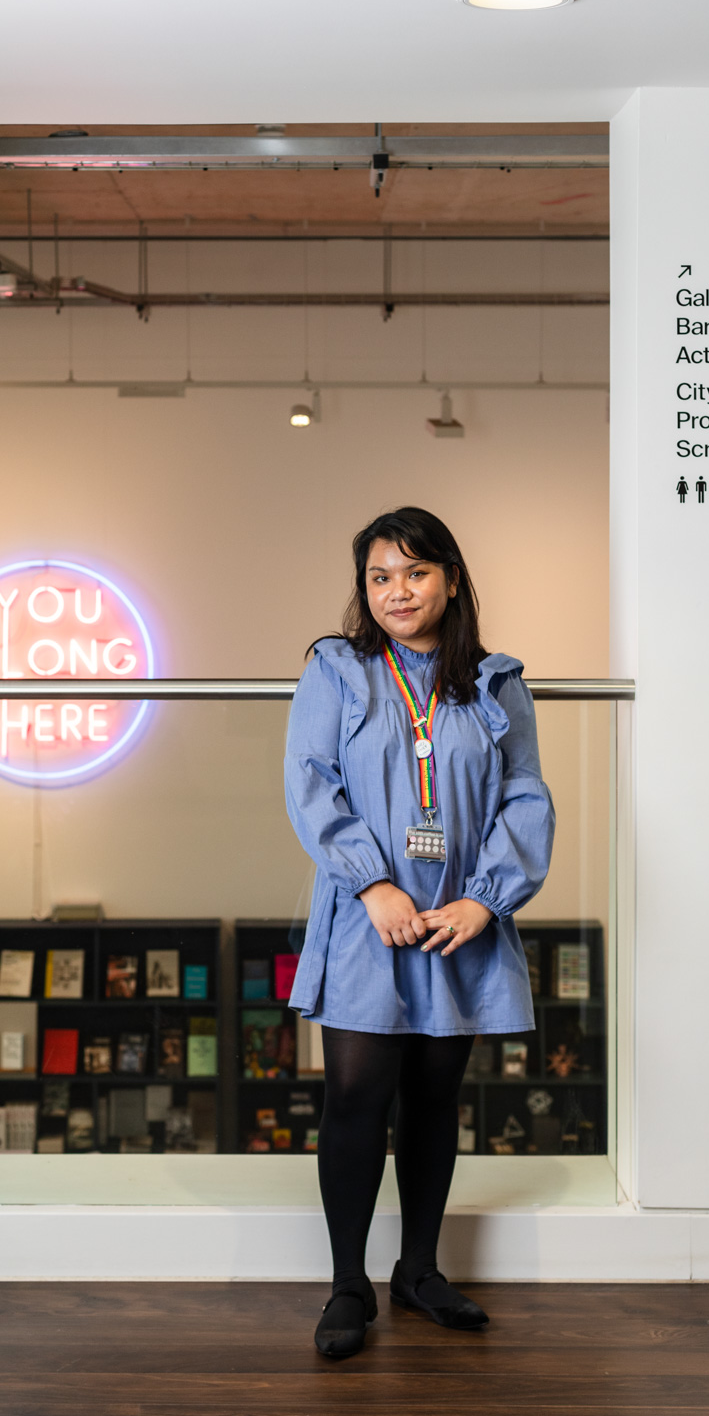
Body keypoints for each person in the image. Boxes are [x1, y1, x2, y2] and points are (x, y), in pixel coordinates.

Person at [285, 506, 555, 1358]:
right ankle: (346, 1286)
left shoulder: (497, 681)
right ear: (365, 590)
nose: (397, 592)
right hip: (371, 916)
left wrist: (487, 899)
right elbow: (311, 783)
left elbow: (525, 798)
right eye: (380, 577)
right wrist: (371, 882)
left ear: (449, 579)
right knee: (358, 1098)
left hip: (458, 919)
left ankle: (419, 1269)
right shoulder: (338, 669)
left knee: (436, 1099)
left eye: (415, 573)